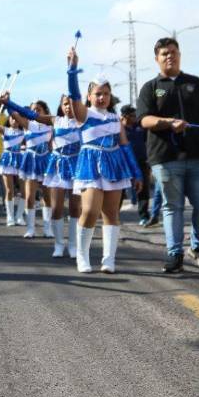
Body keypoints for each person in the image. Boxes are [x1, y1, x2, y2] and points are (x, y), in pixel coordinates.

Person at [136, 37, 199, 273]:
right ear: (156, 59)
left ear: (179, 55)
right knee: (173, 206)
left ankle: (198, 248)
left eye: (173, 51)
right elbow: (144, 119)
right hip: (166, 157)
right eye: (164, 53)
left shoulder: (196, 83)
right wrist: (168, 123)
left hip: (198, 157)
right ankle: (175, 254)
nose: (169, 56)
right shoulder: (151, 87)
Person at [66, 48, 142, 273]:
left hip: (114, 164)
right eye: (97, 93)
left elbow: (125, 146)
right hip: (90, 164)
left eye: (105, 94)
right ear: (89, 96)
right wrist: (72, 70)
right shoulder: (83, 114)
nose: (102, 97)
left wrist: (136, 172)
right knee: (89, 211)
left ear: (110, 97)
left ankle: (109, 259)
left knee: (111, 213)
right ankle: (82, 256)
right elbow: (73, 94)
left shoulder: (114, 118)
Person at [6, 94, 82, 257]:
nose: (68, 107)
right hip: (56, 167)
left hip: (76, 167)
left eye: (71, 104)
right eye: (65, 104)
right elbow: (27, 115)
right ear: (61, 106)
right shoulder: (55, 121)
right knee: (56, 207)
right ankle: (58, 244)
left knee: (76, 208)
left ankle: (73, 245)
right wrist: (8, 103)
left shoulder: (83, 121)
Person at [2, 96, 53, 238]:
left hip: (46, 161)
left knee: (47, 196)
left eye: (38, 109)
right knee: (30, 196)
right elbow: (13, 113)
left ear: (44, 111)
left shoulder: (50, 125)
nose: (35, 111)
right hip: (30, 161)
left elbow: (51, 146)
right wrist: (8, 101)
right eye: (33, 110)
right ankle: (31, 229)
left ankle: (47, 229)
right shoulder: (27, 124)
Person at [120, 105, 152, 226]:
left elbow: (147, 142)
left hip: (141, 163)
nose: (135, 118)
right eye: (133, 116)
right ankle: (113, 215)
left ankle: (144, 216)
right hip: (124, 164)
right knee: (120, 191)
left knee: (143, 191)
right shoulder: (119, 129)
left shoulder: (140, 127)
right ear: (125, 116)